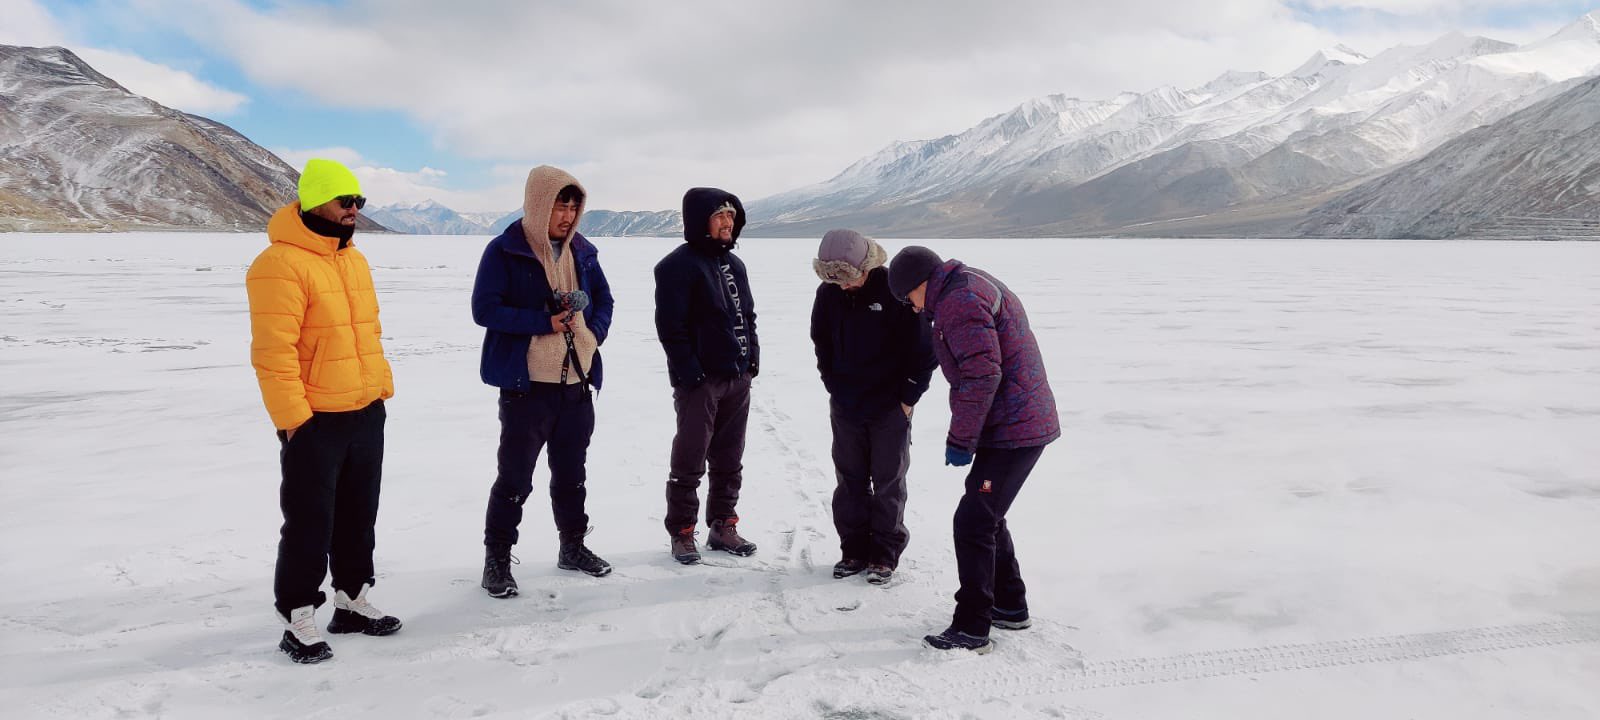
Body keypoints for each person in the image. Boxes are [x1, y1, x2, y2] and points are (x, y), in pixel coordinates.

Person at [246, 158, 402, 664]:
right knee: (310, 521)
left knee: (359, 514)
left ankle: (351, 601)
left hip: (364, 409)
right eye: (345, 201)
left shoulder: (352, 259)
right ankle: (297, 615)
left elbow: (369, 334)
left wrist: (380, 390)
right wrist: (294, 420)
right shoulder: (279, 264)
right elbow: (274, 352)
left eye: (359, 201)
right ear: (315, 203)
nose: (354, 209)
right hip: (315, 419)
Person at [886, 245, 1060, 655]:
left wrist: (960, 439)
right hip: (1016, 421)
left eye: (907, 298)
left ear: (920, 285)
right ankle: (1009, 605)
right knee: (986, 512)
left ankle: (972, 626)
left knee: (973, 520)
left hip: (1016, 426)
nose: (911, 309)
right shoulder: (964, 285)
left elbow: (981, 375)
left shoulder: (959, 302)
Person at [472, 166, 616, 599]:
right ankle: (496, 558)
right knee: (514, 478)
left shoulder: (583, 252)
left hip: (576, 382)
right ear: (539, 204)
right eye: (560, 205)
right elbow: (485, 309)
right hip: (527, 386)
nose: (568, 215)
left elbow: (605, 301)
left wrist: (593, 334)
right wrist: (543, 322)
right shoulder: (505, 251)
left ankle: (572, 546)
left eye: (574, 207)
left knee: (572, 474)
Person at [810, 229, 936, 585]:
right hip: (846, 405)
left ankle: (884, 554)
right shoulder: (828, 294)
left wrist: (909, 397)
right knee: (849, 480)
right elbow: (821, 343)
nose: (844, 287)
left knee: (888, 481)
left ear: (866, 265)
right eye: (835, 280)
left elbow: (924, 349)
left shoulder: (896, 292)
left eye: (849, 278)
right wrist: (833, 385)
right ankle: (853, 550)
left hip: (890, 407)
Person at [653, 188, 760, 564]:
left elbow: (746, 316)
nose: (728, 222)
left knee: (730, 457)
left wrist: (752, 359)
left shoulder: (735, 266)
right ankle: (682, 531)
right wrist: (690, 374)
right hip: (699, 382)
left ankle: (723, 525)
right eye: (719, 216)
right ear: (701, 221)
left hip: (737, 377)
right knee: (690, 458)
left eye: (731, 215)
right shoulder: (675, 266)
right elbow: (671, 327)